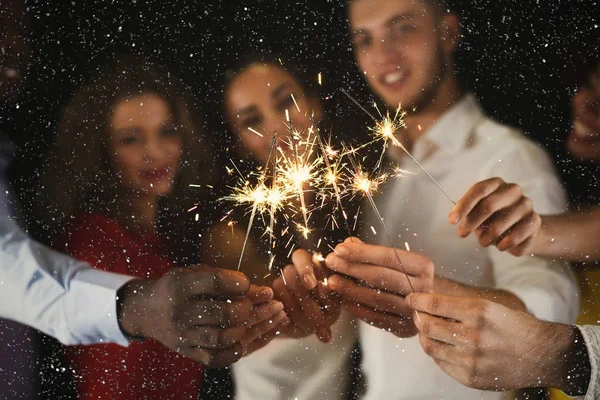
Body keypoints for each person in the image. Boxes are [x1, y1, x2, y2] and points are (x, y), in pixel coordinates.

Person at [290, 0, 578, 398]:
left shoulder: (508, 157)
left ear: (448, 32)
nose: (383, 55)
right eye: (365, 40)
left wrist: (430, 295)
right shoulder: (376, 170)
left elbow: (552, 313)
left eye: (403, 28)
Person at [33, 55, 287, 399]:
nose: (155, 151)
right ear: (101, 150)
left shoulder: (161, 242)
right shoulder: (91, 244)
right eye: (131, 139)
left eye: (166, 132)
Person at [407, 60, 600, 400]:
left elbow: (546, 305)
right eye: (590, 84)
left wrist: (560, 355)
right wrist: (531, 230)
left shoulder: (510, 153)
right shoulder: (580, 189)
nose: (587, 103)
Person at [203, 56, 356, 400]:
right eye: (252, 120)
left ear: (314, 104)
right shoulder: (230, 238)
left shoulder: (365, 206)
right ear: (239, 141)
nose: (277, 125)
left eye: (286, 102)